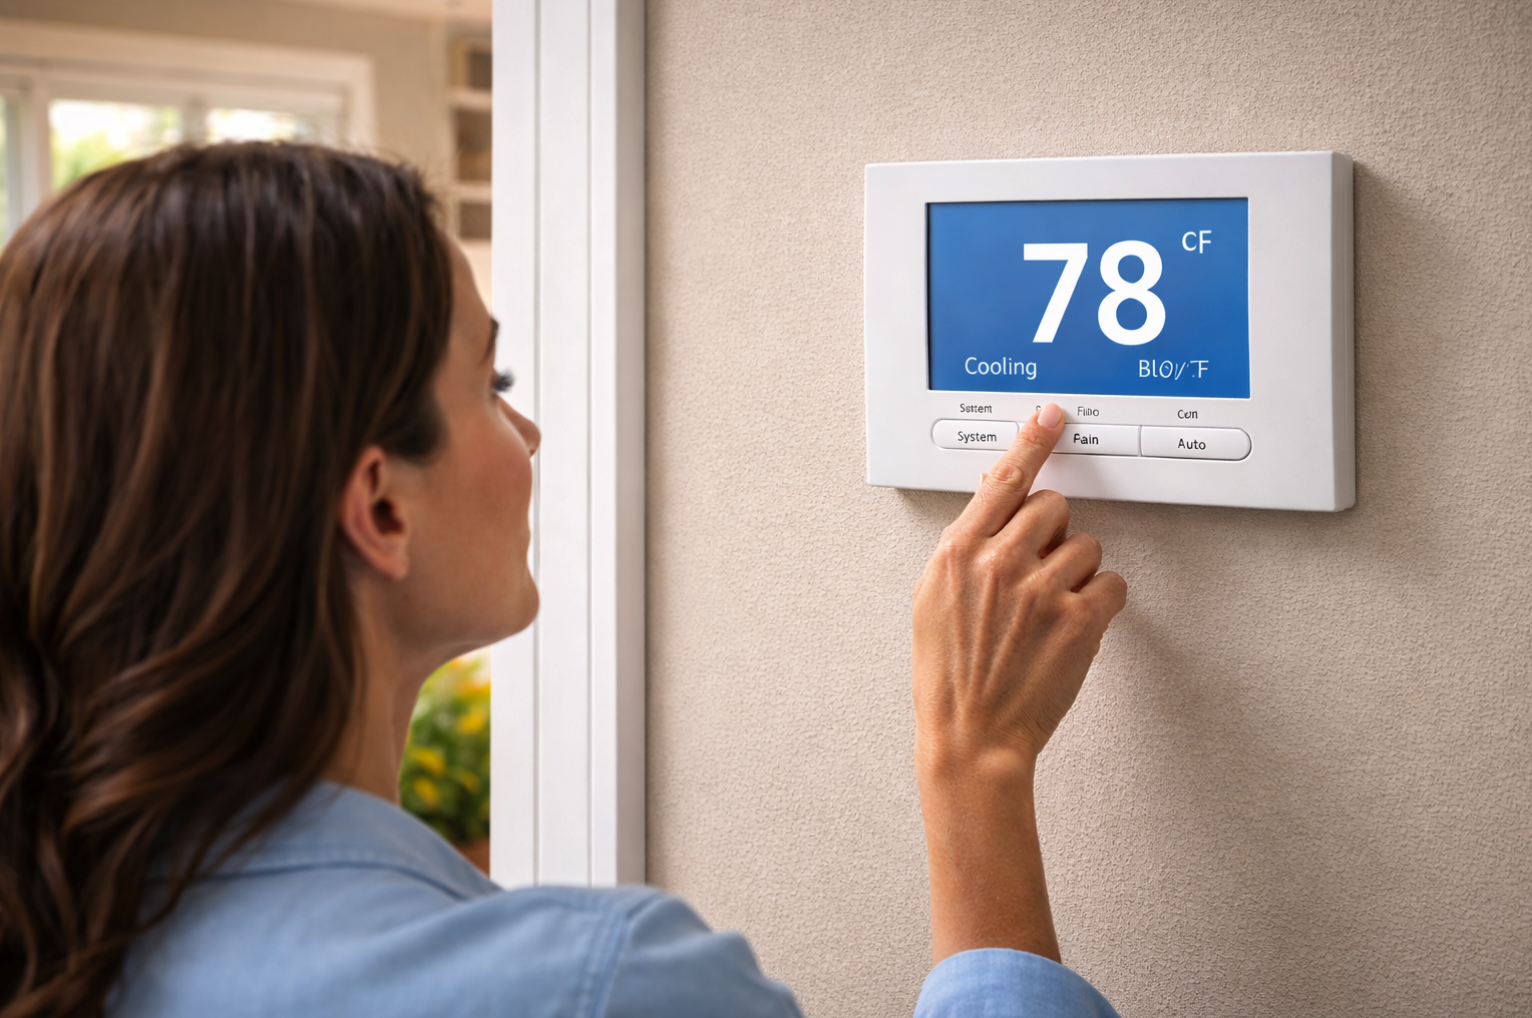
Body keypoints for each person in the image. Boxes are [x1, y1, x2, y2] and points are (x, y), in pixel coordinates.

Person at [0, 144, 1127, 1018]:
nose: (526, 432)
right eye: (490, 382)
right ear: (381, 506)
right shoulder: (597, 988)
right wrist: (974, 765)